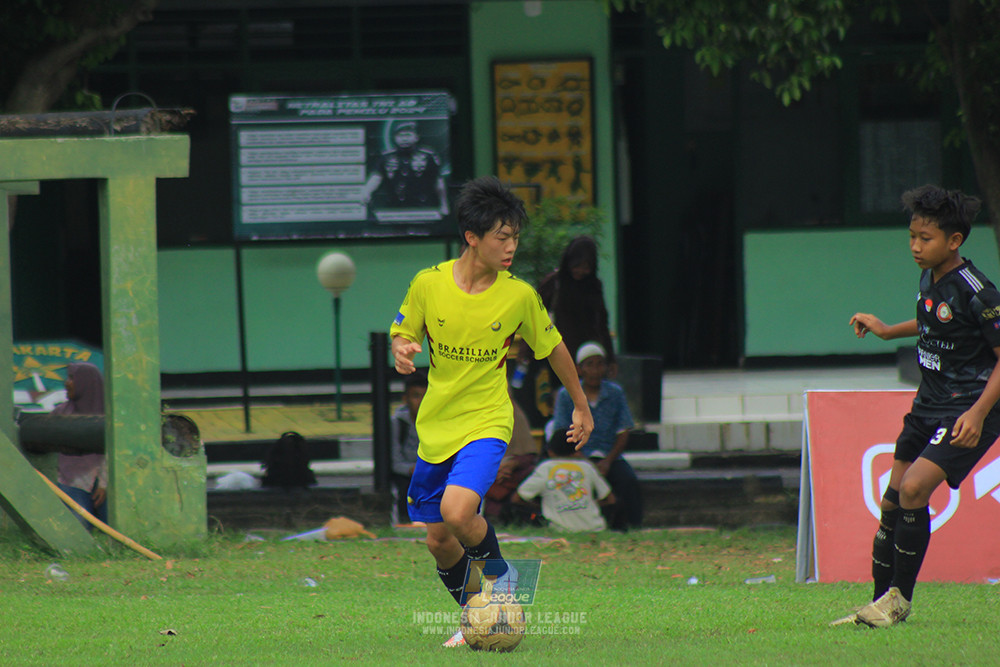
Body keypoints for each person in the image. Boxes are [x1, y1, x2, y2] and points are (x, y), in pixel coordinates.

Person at [389, 175, 594, 648]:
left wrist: (580, 406)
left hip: (487, 419)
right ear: (472, 238)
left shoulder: (518, 294)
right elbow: (402, 330)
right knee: (439, 540)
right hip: (437, 426)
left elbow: (555, 347)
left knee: (458, 511)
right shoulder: (429, 284)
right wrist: (402, 350)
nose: (511, 248)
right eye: (502, 238)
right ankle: (476, 615)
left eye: (515, 239)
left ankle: (504, 590)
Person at [836, 184, 1000, 628]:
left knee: (912, 490)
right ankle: (874, 605)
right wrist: (888, 330)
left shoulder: (980, 292)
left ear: (955, 241)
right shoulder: (929, 277)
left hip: (968, 408)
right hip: (928, 403)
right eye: (911, 236)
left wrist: (979, 413)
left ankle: (899, 602)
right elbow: (932, 320)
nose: (915, 246)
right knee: (891, 502)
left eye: (925, 239)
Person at [514, 235, 616, 425]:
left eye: (586, 266)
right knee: (558, 399)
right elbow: (533, 318)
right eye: (577, 265)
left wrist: (610, 357)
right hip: (556, 351)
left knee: (583, 398)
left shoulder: (593, 286)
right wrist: (525, 352)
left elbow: (602, 322)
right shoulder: (554, 283)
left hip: (585, 354)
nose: (580, 271)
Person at [550, 341, 642, 531]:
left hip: (609, 456)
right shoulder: (567, 394)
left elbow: (623, 430)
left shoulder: (615, 393)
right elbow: (561, 432)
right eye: (589, 365)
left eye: (600, 364)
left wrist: (608, 461)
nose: (595, 370)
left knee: (628, 480)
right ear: (579, 369)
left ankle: (631, 527)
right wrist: (584, 460)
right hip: (577, 456)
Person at [512, 431, 614, 532]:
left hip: (561, 530)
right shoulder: (587, 467)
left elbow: (517, 499)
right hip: (594, 528)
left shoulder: (546, 467)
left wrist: (543, 508)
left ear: (550, 452)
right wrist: (586, 505)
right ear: (577, 452)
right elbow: (610, 500)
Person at [52, 362, 107, 527]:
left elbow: (113, 452)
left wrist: (104, 484)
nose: (66, 383)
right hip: (71, 481)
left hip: (106, 480)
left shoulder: (108, 414)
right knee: (78, 527)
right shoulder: (60, 413)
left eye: (72, 378)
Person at [360, 120, 449, 217]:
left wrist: (444, 204)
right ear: (395, 138)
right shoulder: (387, 156)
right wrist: (366, 192)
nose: (404, 139)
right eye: (401, 136)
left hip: (422, 206)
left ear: (416, 137)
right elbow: (376, 177)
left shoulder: (428, 156)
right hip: (394, 207)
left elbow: (438, 181)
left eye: (408, 135)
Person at [390, 370, 428, 525]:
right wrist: (413, 469)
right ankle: (406, 523)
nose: (422, 401)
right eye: (416, 396)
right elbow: (395, 462)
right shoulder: (397, 424)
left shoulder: (441, 423)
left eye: (426, 397)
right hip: (407, 474)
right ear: (405, 399)